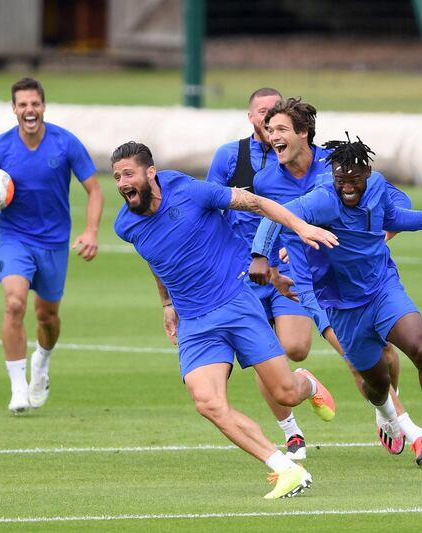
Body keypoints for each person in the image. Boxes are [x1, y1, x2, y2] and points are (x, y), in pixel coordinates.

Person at [111, 141, 339, 499]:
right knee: (207, 402)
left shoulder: (189, 190)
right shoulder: (125, 225)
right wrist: (167, 303)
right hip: (195, 322)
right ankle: (286, 469)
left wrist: (299, 226)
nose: (122, 182)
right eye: (116, 177)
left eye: (128, 174)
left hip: (236, 301)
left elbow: (256, 203)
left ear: (149, 173)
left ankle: (306, 383)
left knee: (286, 393)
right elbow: (158, 260)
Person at [251, 134, 422, 473]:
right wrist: (261, 256)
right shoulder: (321, 200)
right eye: (341, 180)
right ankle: (386, 414)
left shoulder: (376, 187)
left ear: (367, 173)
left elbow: (395, 218)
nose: (348, 186)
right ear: (333, 177)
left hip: (382, 289)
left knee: (421, 349)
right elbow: (277, 215)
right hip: (342, 307)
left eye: (355, 179)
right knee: (376, 384)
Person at [253, 98, 422, 465]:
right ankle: (394, 418)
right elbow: (272, 219)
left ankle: (399, 421)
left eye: (279, 130)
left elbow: (396, 201)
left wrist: (376, 237)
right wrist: (271, 261)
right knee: (295, 349)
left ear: (303, 134)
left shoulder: (337, 167)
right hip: (304, 281)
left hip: (350, 282)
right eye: (267, 129)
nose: (270, 135)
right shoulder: (265, 177)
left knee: (380, 356)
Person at [0, 77, 103, 414]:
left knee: (47, 317)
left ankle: (42, 360)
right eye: (23, 105)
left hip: (54, 241)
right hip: (14, 237)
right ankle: (18, 388)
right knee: (14, 304)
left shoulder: (65, 143)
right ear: (14, 109)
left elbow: (95, 190)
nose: (29, 110)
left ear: (44, 106)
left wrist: (91, 231)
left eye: (35, 104)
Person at [206, 88, 316, 460]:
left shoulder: (297, 162)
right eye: (263, 114)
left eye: (276, 115)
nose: (270, 122)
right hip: (242, 271)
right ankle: (291, 432)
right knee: (262, 352)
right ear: (251, 117)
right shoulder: (228, 156)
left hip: (287, 265)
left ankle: (305, 384)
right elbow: (209, 206)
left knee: (296, 349)